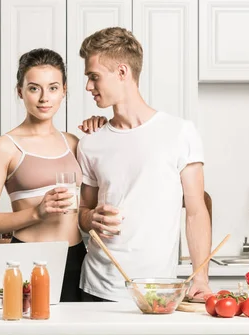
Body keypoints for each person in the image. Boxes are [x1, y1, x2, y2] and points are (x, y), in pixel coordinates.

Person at [76, 27, 212, 302]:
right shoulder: (90, 143)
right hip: (96, 288)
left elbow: (196, 212)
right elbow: (82, 213)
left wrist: (201, 276)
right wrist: (91, 218)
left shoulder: (179, 132)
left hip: (157, 290)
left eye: (94, 77)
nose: (88, 86)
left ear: (122, 72)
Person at [0, 48, 85, 302]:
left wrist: (101, 128)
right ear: (20, 92)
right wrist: (37, 213)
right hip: (28, 260)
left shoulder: (74, 143)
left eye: (53, 88)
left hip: (77, 259)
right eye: (34, 88)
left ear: (64, 91)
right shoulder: (5, 146)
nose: (45, 98)